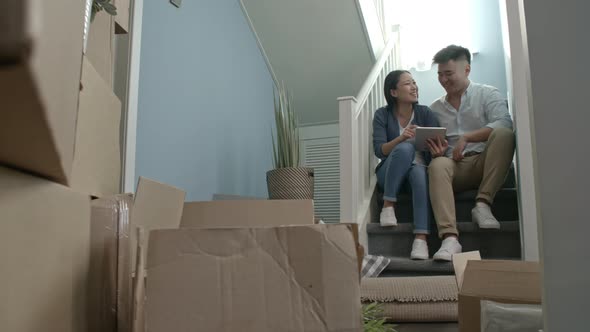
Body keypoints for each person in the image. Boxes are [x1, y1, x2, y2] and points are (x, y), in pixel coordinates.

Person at [426, 45, 516, 261]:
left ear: (466, 70)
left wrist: (467, 137)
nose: (444, 80)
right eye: (440, 74)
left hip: (485, 163)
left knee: (504, 134)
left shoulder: (487, 93)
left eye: (449, 74)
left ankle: (483, 204)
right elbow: (433, 147)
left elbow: (504, 122)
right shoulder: (434, 109)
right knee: (437, 165)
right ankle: (449, 238)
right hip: (454, 166)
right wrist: (437, 154)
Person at [373, 70, 440, 260]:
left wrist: (436, 150)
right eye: (408, 83)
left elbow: (438, 144)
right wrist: (402, 138)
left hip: (415, 173)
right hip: (390, 174)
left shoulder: (425, 113)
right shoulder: (382, 115)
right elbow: (380, 150)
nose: (414, 87)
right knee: (404, 149)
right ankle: (388, 204)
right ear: (393, 92)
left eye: (415, 83)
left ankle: (420, 240)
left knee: (419, 173)